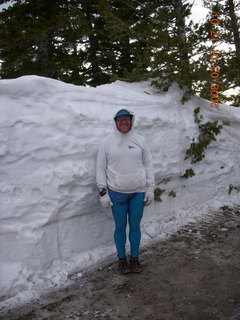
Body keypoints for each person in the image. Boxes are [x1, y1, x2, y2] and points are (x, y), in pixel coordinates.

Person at [96, 109, 155, 274]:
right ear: (115, 122)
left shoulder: (139, 140)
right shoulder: (107, 142)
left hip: (137, 192)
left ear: (131, 121)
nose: (124, 122)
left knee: (135, 226)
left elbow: (149, 164)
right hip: (116, 193)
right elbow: (100, 168)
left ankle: (134, 259)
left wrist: (150, 189)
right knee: (120, 227)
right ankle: (122, 260)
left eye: (127, 119)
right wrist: (103, 192)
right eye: (120, 120)